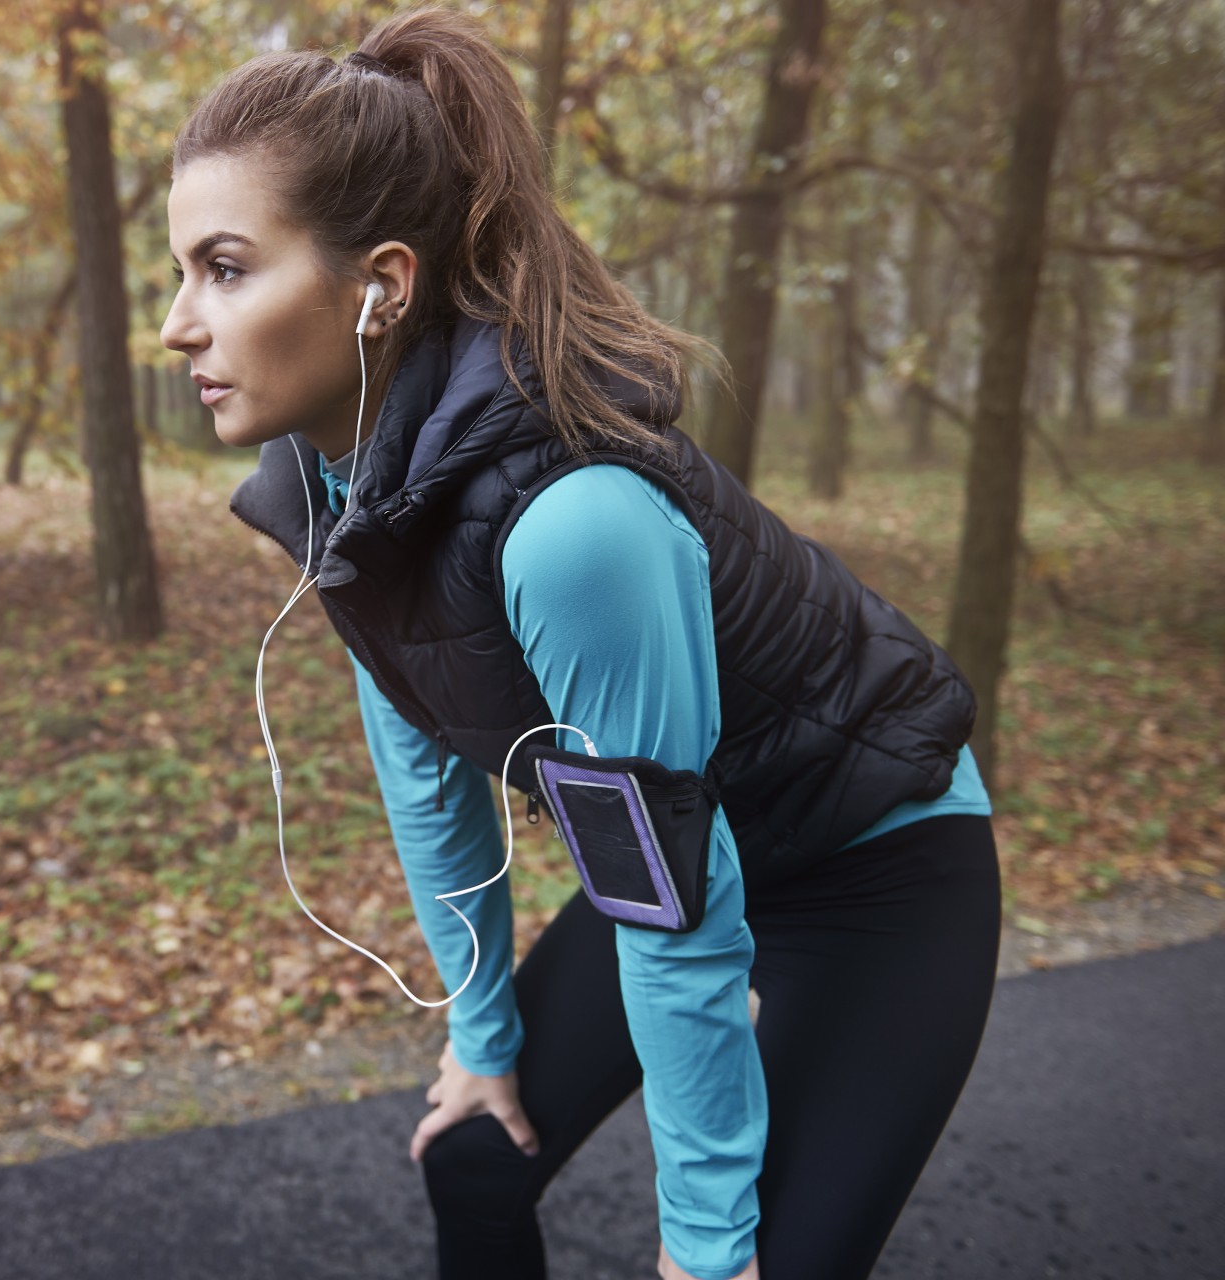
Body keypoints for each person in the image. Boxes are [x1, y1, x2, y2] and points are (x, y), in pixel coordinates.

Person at [158, 7, 1000, 1279]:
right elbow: (424, 762)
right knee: (471, 1151)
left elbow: (673, 907)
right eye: (181, 271)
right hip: (693, 855)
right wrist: (482, 1034)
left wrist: (707, 1244)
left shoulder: (575, 526)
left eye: (224, 267)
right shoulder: (337, 484)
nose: (178, 322)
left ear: (381, 284)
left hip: (873, 866)